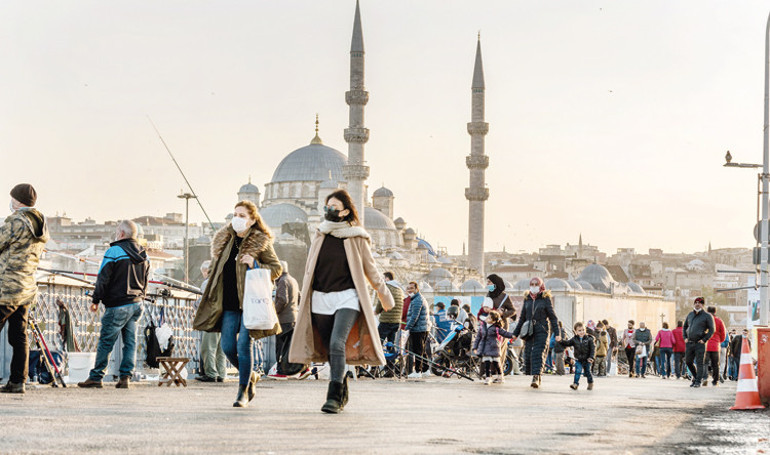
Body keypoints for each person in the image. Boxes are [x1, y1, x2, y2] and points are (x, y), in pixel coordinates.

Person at [288, 190, 394, 414]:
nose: (330, 210)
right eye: (327, 206)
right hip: (320, 298)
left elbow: (371, 270)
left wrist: (385, 296)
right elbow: (310, 269)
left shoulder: (356, 237)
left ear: (345, 211)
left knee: (337, 343)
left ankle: (333, 396)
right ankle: (343, 383)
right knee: (329, 349)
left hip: (347, 297)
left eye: (334, 206)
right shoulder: (320, 234)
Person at [193, 201, 282, 407]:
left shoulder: (261, 242)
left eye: (242, 215)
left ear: (252, 220)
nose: (237, 219)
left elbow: (276, 269)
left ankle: (242, 391)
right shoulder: (225, 241)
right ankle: (250, 375)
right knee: (227, 346)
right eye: (235, 214)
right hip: (229, 304)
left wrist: (255, 263)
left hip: (251, 303)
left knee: (244, 345)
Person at [78, 220, 148, 390]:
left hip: (118, 304)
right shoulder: (144, 254)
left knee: (106, 342)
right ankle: (125, 377)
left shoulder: (114, 251)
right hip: (137, 304)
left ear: (121, 233)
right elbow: (145, 280)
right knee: (130, 342)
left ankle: (96, 377)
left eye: (117, 231)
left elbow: (103, 278)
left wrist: (96, 299)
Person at [0, 184, 49, 394]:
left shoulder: (16, 222)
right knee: (19, 336)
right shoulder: (40, 225)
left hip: (7, 288)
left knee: (17, 336)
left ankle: (17, 381)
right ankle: (18, 381)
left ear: (18, 201)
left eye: (12, 198)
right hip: (27, 288)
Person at [512, 277, 559, 389]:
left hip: (542, 330)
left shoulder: (545, 298)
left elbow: (553, 317)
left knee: (538, 353)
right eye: (532, 284)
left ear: (540, 285)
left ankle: (536, 377)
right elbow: (522, 317)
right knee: (528, 354)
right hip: (529, 330)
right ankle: (536, 374)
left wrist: (557, 333)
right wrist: (515, 333)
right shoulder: (527, 299)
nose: (534, 286)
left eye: (536, 284)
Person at [271, 261, 305, 379]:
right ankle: (303, 369)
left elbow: (282, 299)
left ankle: (281, 371)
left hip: (284, 320)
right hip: (293, 318)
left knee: (281, 347)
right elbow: (300, 297)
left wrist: (273, 312)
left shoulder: (282, 281)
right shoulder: (293, 280)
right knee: (293, 347)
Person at [196, 260, 227, 382]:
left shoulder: (207, 283)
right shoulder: (223, 281)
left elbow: (204, 302)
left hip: (211, 319)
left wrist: (195, 304)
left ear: (205, 271)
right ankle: (221, 374)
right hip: (223, 318)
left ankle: (211, 373)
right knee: (220, 349)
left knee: (208, 347)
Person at [485, 274, 516, 378]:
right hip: (490, 326)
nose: (487, 284)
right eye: (487, 282)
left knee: (499, 349)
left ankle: (499, 373)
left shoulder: (505, 297)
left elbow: (513, 311)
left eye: (489, 282)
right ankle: (491, 372)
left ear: (495, 283)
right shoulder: (488, 296)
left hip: (501, 326)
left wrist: (502, 314)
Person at [473, 309, 515, 384]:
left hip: (494, 348)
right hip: (485, 348)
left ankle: (500, 376)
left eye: (489, 318)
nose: (487, 319)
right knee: (487, 363)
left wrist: (513, 335)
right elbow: (478, 338)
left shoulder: (496, 328)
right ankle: (488, 377)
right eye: (487, 317)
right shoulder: (482, 327)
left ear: (494, 321)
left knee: (496, 363)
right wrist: (475, 347)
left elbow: (505, 333)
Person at [683, 297, 715, 388]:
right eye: (696, 302)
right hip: (689, 342)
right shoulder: (690, 315)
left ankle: (697, 381)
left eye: (699, 303)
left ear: (702, 305)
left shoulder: (707, 316)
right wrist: (685, 337)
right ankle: (696, 377)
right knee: (688, 361)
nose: (697, 304)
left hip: (699, 343)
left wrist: (704, 340)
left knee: (699, 362)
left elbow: (712, 329)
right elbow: (685, 327)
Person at [558, 322, 595, 391]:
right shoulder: (574, 339)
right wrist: (560, 340)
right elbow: (567, 343)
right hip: (579, 359)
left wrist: (591, 357)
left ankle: (590, 382)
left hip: (587, 359)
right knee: (577, 371)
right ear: (576, 331)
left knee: (587, 372)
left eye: (583, 330)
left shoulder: (589, 339)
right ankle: (575, 384)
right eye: (579, 330)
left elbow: (592, 349)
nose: (582, 332)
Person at [404, 281, 429, 379]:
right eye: (408, 288)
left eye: (411, 288)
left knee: (418, 350)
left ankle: (418, 371)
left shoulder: (417, 300)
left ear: (416, 289)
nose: (409, 290)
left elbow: (415, 316)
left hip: (418, 329)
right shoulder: (416, 298)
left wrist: (407, 327)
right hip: (422, 328)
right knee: (421, 350)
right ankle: (426, 369)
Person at [373, 271, 404, 345]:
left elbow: (381, 301)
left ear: (387, 278)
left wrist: (376, 311)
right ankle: (391, 354)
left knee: (378, 341)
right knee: (391, 342)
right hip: (396, 321)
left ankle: (378, 356)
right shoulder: (399, 289)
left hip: (386, 320)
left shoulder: (386, 287)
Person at [703, 306, 726, 387]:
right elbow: (723, 334)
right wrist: (719, 341)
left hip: (705, 345)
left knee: (705, 363)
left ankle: (705, 378)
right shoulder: (719, 321)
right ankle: (715, 381)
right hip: (716, 346)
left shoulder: (704, 320)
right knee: (715, 364)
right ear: (715, 312)